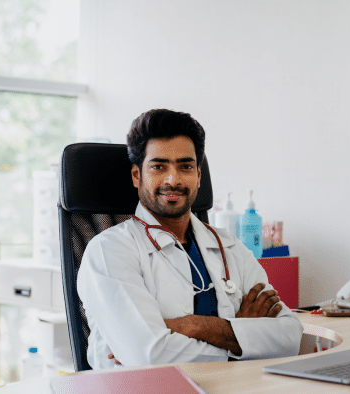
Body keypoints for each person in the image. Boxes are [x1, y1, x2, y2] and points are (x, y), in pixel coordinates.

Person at [77, 109, 304, 369]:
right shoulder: (109, 251)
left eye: (185, 166)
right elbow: (150, 357)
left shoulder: (229, 247)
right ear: (137, 175)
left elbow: (289, 336)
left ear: (198, 176)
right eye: (159, 167)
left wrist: (190, 326)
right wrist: (242, 336)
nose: (173, 180)